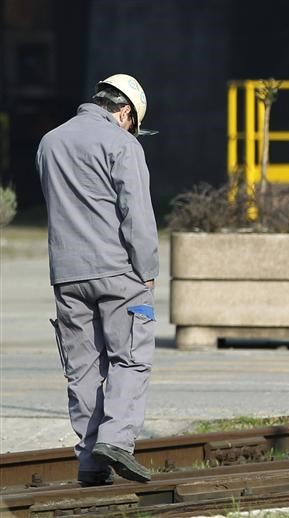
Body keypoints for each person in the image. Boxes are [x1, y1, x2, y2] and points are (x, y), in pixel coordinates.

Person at [36, 74, 158, 485]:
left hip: (66, 274)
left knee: (83, 369)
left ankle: (91, 462)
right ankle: (117, 440)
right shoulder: (123, 144)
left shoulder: (50, 142)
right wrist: (148, 271)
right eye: (132, 121)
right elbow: (137, 214)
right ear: (124, 111)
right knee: (131, 357)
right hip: (118, 270)